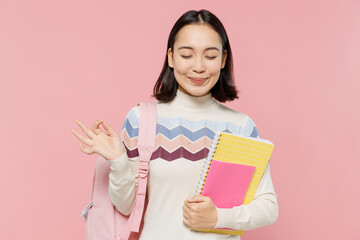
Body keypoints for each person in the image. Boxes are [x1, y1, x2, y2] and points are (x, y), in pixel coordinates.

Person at [72, 9, 278, 240]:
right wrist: (119, 161)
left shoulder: (240, 127)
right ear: (171, 57)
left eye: (210, 56)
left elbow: (268, 206)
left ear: (223, 59)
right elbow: (126, 207)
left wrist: (218, 218)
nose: (198, 67)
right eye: (186, 55)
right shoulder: (142, 119)